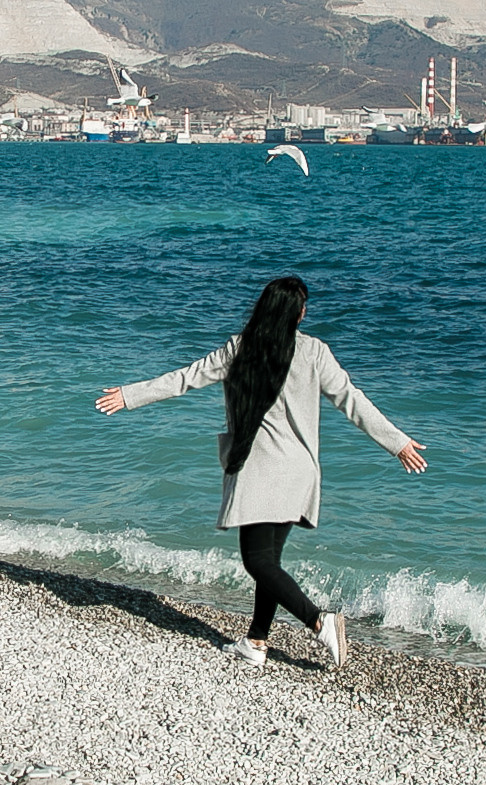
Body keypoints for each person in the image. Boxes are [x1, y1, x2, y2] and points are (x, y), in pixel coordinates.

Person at [96, 276, 424, 668]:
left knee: (257, 562)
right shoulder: (315, 352)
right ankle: (255, 642)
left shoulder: (240, 348)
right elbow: (352, 401)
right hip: (299, 472)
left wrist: (132, 395)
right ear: (297, 314)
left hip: (260, 468)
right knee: (269, 561)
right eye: (304, 307)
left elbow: (185, 378)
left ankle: (320, 621)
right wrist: (397, 441)